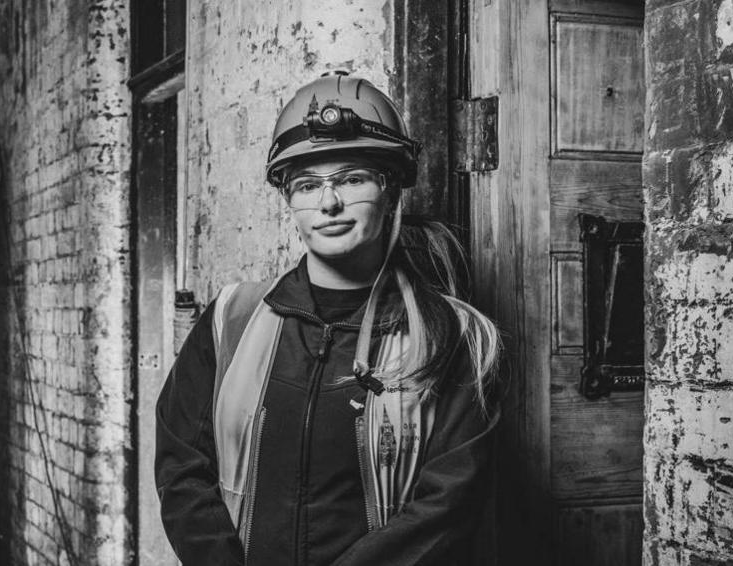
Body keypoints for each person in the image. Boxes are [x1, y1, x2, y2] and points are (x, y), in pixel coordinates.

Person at [155, 71, 501, 566]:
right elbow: (181, 468)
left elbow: (448, 503)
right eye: (307, 185)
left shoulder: (456, 337)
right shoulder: (232, 318)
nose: (329, 202)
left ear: (391, 188)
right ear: (288, 200)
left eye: (352, 179)